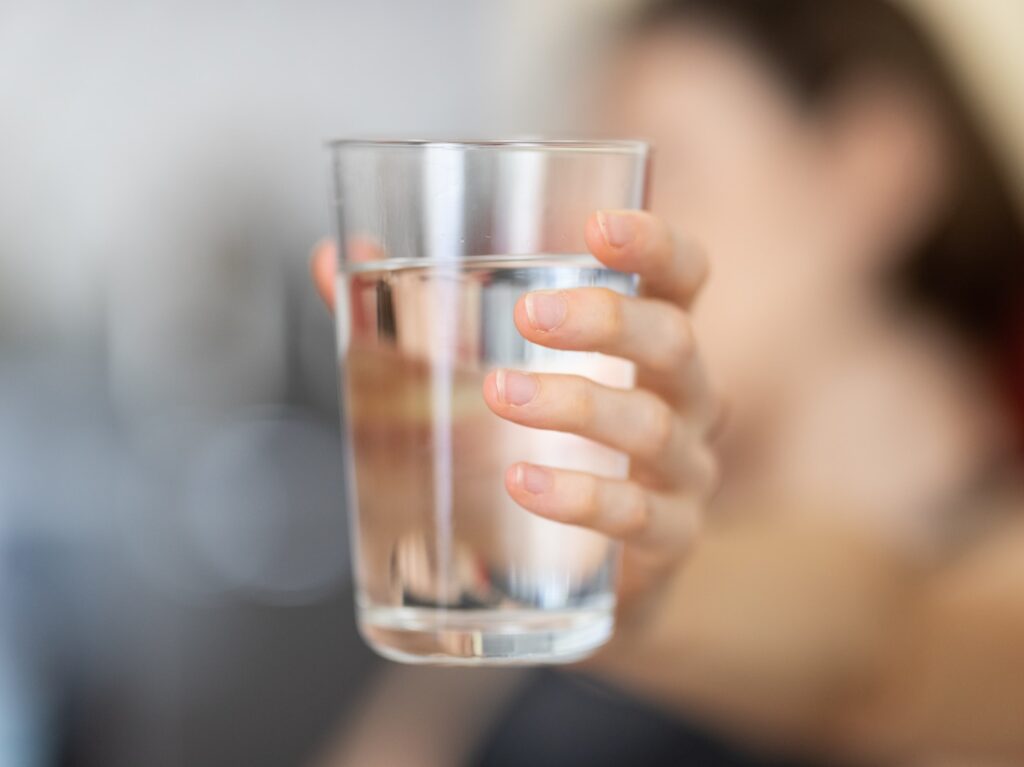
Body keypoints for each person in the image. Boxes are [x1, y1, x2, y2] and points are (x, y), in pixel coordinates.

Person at [311, 0, 1024, 763]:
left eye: (665, 165)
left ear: (877, 164)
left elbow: (885, 652)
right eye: (578, 186)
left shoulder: (991, 566)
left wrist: (650, 599)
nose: (584, 232)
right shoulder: (560, 540)